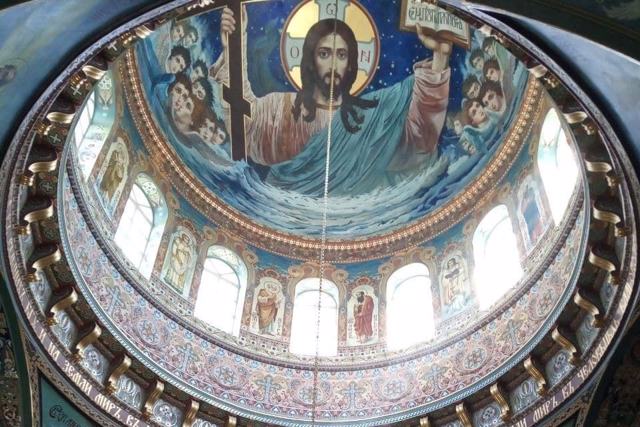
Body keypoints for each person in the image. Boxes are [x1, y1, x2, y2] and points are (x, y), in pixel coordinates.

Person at [211, 7, 452, 195]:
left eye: (342, 55)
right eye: (324, 53)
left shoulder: (372, 115)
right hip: (286, 217)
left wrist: (440, 57)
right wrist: (233, 46)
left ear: (351, 64)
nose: (334, 64)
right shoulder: (280, 108)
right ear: (310, 60)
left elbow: (418, 142)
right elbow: (244, 128)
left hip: (356, 225)